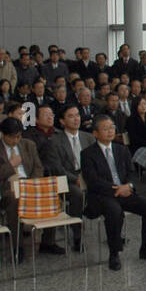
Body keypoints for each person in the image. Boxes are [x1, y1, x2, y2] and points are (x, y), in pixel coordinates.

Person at [80, 114, 146, 270]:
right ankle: (114, 253)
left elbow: (132, 173)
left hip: (125, 192)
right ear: (95, 133)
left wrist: (128, 186)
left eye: (112, 128)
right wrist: (117, 189)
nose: (110, 131)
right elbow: (93, 181)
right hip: (102, 195)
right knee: (114, 211)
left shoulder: (122, 149)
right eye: (105, 128)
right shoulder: (87, 154)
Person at [0, 117, 45, 259]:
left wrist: (32, 184)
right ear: (3, 135)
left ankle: (48, 241)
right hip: (7, 189)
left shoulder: (29, 145)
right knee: (14, 199)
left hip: (28, 185)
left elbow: (38, 167)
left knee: (52, 192)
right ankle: (18, 246)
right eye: (12, 137)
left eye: (18, 136)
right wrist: (10, 165)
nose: (16, 140)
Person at [39, 105, 93, 254]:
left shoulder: (88, 137)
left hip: (88, 176)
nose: (76, 119)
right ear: (62, 121)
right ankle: (77, 235)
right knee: (77, 194)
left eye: (77, 115)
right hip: (67, 179)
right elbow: (57, 168)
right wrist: (76, 179)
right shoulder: (54, 141)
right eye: (71, 116)